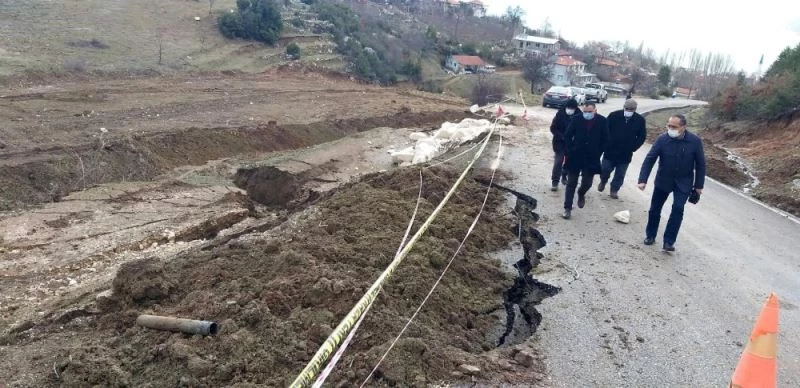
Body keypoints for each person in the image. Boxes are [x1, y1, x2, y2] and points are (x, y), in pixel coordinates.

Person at [637, 114, 706, 251]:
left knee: (678, 209)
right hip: (664, 180)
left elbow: (701, 164)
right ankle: (650, 235)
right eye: (669, 126)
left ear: (683, 127)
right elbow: (650, 159)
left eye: (674, 127)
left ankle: (669, 242)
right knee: (655, 209)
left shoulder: (695, 141)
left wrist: (698, 186)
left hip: (684, 182)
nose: (670, 129)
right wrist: (642, 180)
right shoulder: (662, 139)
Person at [561, 102, 608, 219]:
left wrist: (599, 151)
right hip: (575, 156)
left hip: (592, 158)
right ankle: (567, 208)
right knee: (571, 183)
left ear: (595, 111)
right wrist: (570, 149)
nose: (587, 114)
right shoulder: (576, 119)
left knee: (587, 183)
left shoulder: (602, 121)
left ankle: (581, 193)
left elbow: (606, 138)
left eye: (589, 112)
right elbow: (567, 135)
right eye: (585, 112)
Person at [598, 98, 647, 198]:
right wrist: (606, 143)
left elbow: (642, 136)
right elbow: (604, 130)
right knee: (605, 169)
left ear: (635, 110)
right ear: (624, 107)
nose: (628, 111)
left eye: (631, 110)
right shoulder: (614, 115)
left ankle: (614, 190)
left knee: (620, 174)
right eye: (627, 109)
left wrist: (633, 147)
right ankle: (603, 181)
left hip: (625, 153)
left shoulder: (639, 120)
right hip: (610, 150)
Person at [549, 98, 580, 191]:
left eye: (572, 108)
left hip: (572, 144)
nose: (570, 109)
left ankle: (564, 174)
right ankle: (555, 181)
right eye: (568, 107)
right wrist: (561, 136)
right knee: (558, 161)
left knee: (568, 162)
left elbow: (582, 130)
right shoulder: (560, 114)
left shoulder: (579, 116)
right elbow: (553, 128)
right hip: (560, 143)